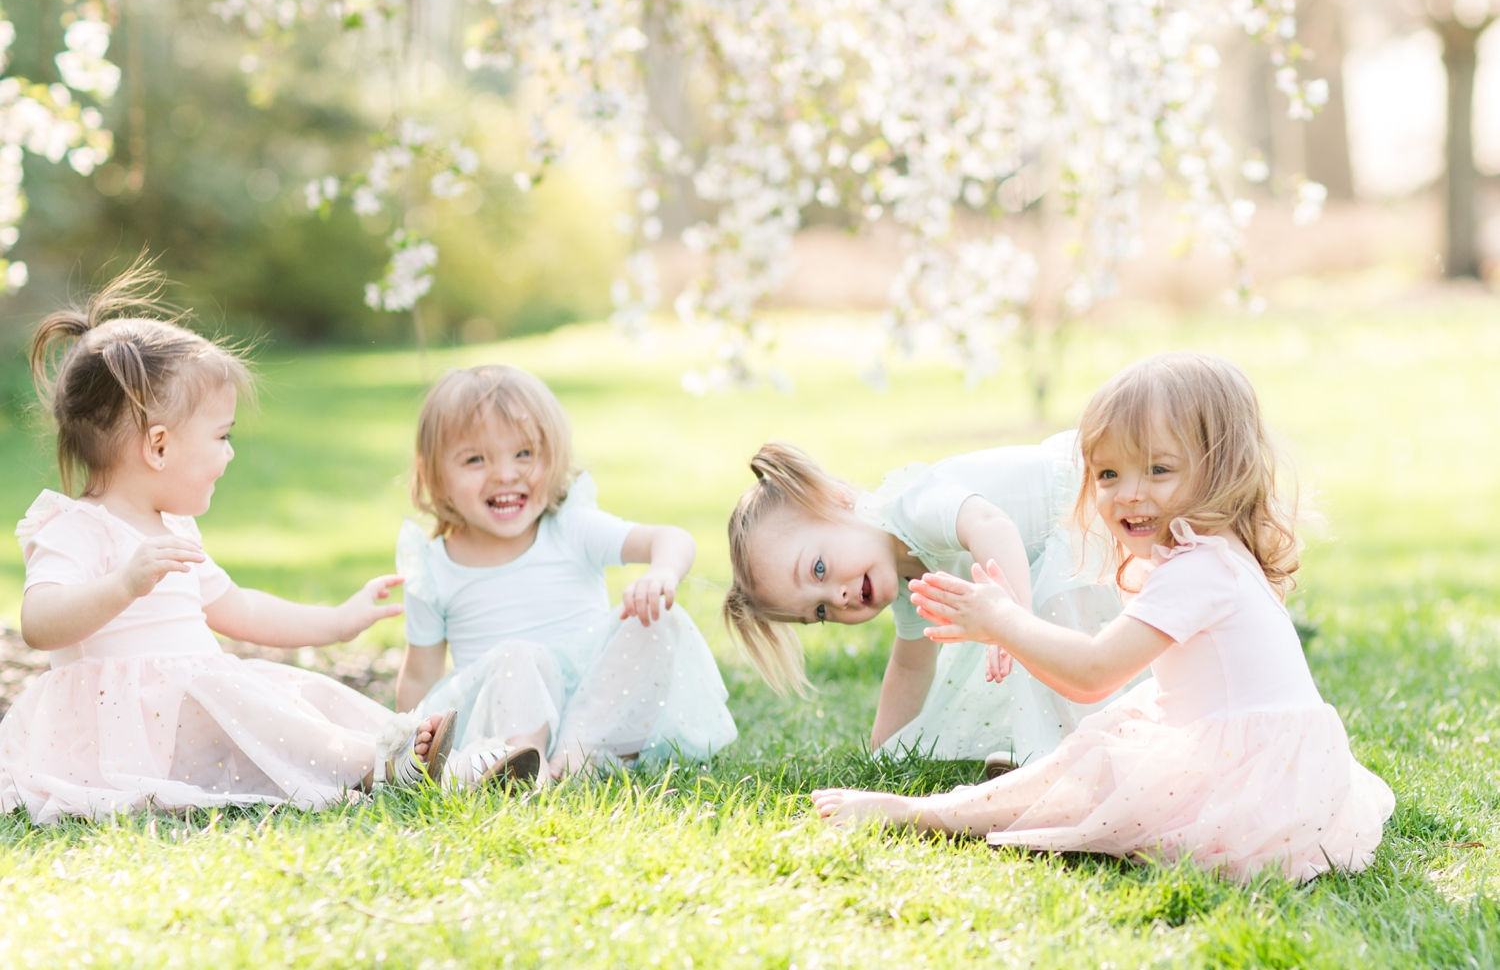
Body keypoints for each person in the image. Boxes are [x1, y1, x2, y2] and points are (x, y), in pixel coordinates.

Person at [810, 352, 1395, 882]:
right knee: (1108, 741)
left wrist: (1001, 618)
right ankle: (944, 808)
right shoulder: (1220, 555)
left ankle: (921, 815)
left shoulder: (1199, 569)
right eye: (1109, 475)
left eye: (1158, 470)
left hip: (1249, 790)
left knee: (1099, 763)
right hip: (1286, 777)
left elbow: (1090, 673)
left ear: (1222, 468)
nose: (1127, 494)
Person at [0, 266, 454, 824]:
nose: (230, 454)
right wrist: (122, 585)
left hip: (191, 716)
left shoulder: (175, 532)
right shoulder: (75, 528)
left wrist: (336, 620)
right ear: (159, 447)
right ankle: (378, 764)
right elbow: (40, 622)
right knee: (242, 695)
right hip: (118, 737)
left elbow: (239, 607)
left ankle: (402, 747)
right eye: (221, 436)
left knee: (290, 691)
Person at [395, 365, 737, 785]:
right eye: (475, 459)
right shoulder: (433, 567)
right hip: (497, 720)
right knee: (519, 655)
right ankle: (523, 765)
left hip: (593, 711)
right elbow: (419, 675)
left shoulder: (571, 529)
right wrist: (403, 749)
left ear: (553, 456)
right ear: (436, 474)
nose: (505, 474)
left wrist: (662, 572)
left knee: (657, 618)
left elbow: (671, 538)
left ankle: (579, 756)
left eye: (524, 454)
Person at [722, 430, 1127, 771]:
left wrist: (1013, 620)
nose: (838, 597)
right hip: (1043, 562)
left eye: (819, 570)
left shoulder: (912, 506)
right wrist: (880, 757)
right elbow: (909, 668)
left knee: (1034, 630)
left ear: (835, 498)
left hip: (1090, 513)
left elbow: (991, 526)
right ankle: (1049, 754)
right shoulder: (905, 579)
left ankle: (1051, 755)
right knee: (1011, 639)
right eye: (820, 612)